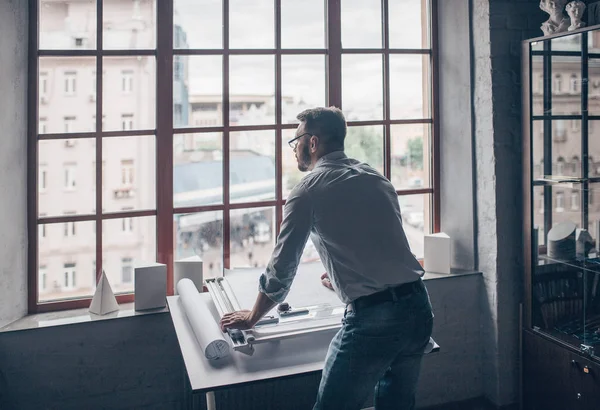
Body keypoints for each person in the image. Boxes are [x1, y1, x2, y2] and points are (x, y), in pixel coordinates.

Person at [220, 107, 434, 410]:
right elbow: (386, 247)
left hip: (374, 320)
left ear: (312, 142)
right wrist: (346, 281)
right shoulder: (375, 177)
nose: (294, 150)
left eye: (295, 142)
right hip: (417, 308)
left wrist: (252, 317)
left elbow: (282, 267)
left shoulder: (308, 190)